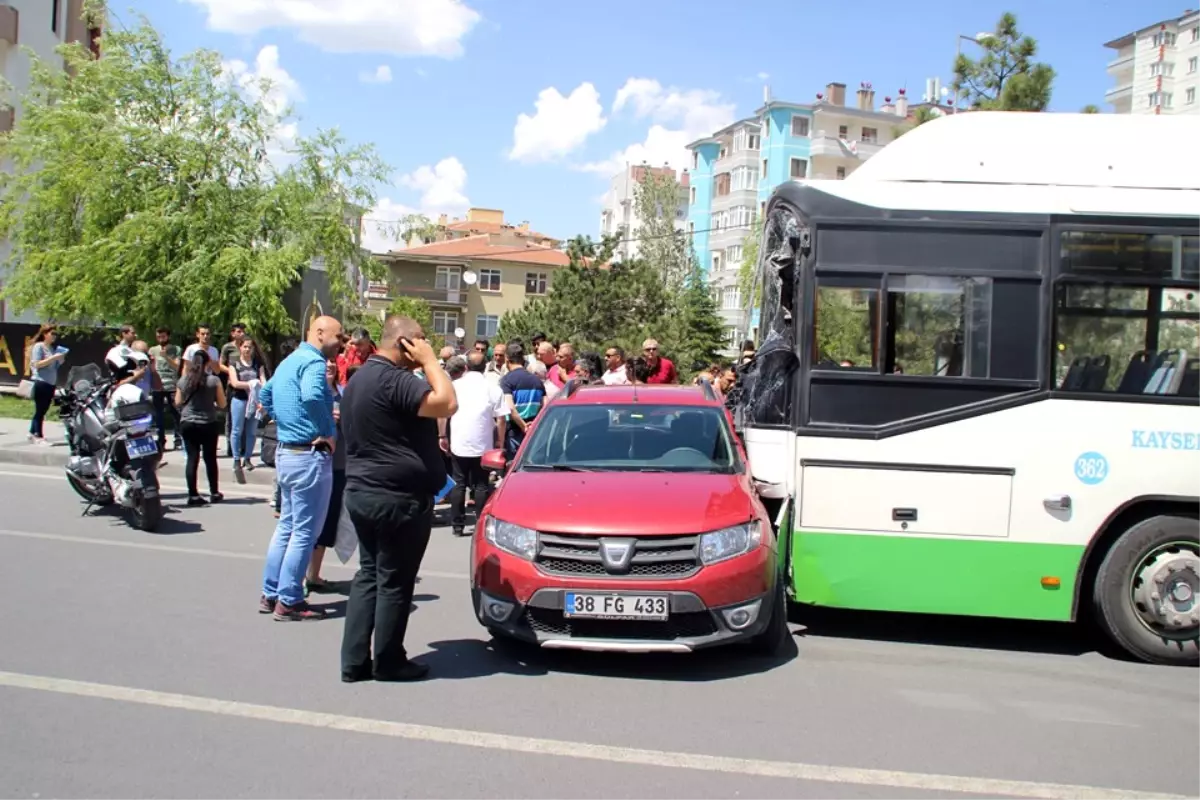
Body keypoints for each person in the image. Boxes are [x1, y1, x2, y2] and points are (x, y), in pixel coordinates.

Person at [340, 314, 457, 682]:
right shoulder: (396, 379)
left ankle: (354, 661)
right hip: (395, 498)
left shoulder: (359, 379)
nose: (426, 345)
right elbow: (446, 403)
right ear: (404, 342)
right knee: (394, 579)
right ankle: (389, 660)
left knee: (369, 574)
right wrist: (430, 361)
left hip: (362, 491)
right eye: (420, 340)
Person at [258, 315, 343, 622]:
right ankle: (290, 599)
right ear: (320, 333)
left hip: (286, 452)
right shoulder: (313, 363)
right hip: (308, 454)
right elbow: (309, 395)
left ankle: (271, 593)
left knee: (287, 527)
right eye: (339, 336)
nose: (341, 343)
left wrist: (286, 420)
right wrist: (327, 431)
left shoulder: (289, 361)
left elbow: (265, 395)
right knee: (305, 531)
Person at [442, 350, 506, 537]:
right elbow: (501, 418)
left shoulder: (454, 386)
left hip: (459, 442)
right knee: (481, 484)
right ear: (486, 365)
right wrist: (500, 442)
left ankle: (457, 524)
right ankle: (480, 522)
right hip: (483, 444)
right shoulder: (492, 388)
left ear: (466, 366)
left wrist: (442, 436)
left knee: (459, 482)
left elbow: (443, 413)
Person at [307, 358, 349, 595]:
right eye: (325, 362)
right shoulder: (311, 394)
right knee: (311, 522)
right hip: (318, 462)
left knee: (329, 522)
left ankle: (313, 574)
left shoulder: (342, 392)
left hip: (340, 464)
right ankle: (300, 576)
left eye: (333, 362)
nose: (330, 366)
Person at [175, 349, 226, 507]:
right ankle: (214, 492)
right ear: (207, 362)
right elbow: (222, 404)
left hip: (188, 423)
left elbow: (177, 402)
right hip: (208, 423)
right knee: (210, 458)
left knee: (192, 458)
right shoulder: (213, 381)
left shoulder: (183, 380)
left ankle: (193, 494)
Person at [226, 336, 266, 482]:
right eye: (245, 347)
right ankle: (236, 458)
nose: (247, 349)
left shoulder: (257, 364)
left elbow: (264, 381)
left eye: (250, 347)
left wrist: (262, 397)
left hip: (255, 401)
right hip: (239, 400)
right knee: (237, 430)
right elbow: (235, 383)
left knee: (252, 431)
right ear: (240, 348)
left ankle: (247, 458)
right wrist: (251, 384)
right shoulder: (234, 363)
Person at [498, 342, 546, 459]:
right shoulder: (537, 380)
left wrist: (523, 426)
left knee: (514, 463)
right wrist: (532, 424)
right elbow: (545, 405)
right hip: (533, 429)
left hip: (514, 429)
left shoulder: (506, 380)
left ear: (507, 359)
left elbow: (510, 408)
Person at [27, 324, 65, 444]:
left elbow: (53, 367)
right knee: (40, 410)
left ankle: (32, 432)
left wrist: (60, 360)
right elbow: (37, 364)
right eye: (52, 334)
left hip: (51, 382)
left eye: (55, 334)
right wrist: (53, 358)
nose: (54, 336)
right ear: (45, 334)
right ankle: (38, 436)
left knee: (43, 410)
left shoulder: (52, 349)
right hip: (41, 381)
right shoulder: (39, 347)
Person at [149, 327, 183, 452]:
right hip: (158, 386)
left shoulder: (176, 350)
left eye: (163, 336)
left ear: (168, 336)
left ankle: (178, 439)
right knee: (158, 414)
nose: (161, 339)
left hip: (172, 385)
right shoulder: (153, 350)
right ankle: (161, 440)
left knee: (176, 412)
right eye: (158, 336)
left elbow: (178, 366)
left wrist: (167, 357)